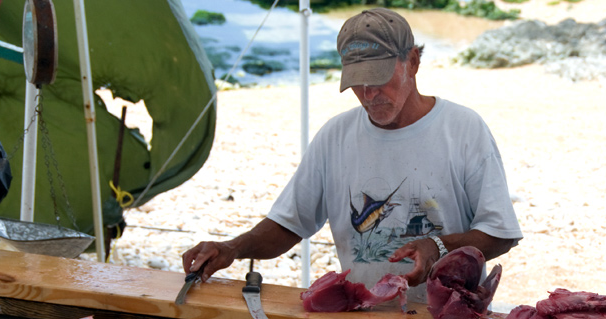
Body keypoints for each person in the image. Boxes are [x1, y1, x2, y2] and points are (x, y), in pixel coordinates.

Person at [182, 8, 523, 303]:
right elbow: (289, 223)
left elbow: (500, 231)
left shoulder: (462, 129)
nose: (369, 94)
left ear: (414, 62)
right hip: (363, 314)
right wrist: (233, 248)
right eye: (358, 82)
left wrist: (437, 245)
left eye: (379, 78)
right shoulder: (336, 136)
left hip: (446, 317)